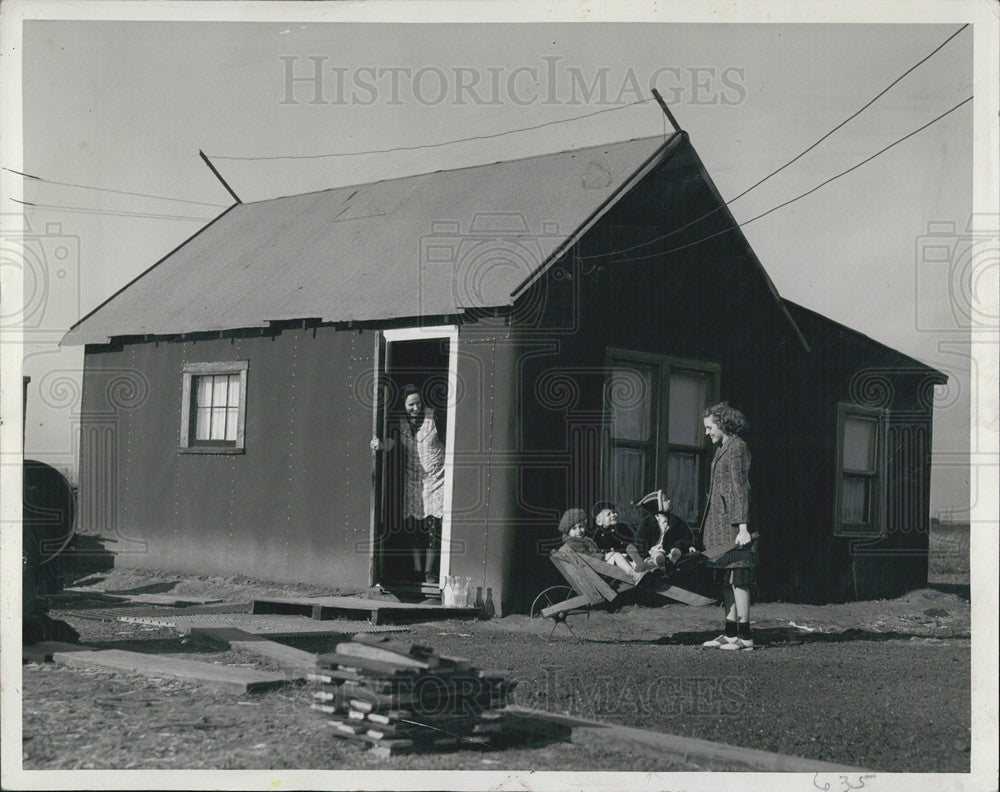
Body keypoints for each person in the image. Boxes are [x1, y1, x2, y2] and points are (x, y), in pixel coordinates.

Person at [370, 384, 445, 584]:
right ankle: (416, 571)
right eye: (411, 404)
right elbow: (389, 444)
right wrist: (379, 445)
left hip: (436, 479)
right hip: (413, 481)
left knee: (432, 526)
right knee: (414, 527)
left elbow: (449, 441)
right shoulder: (401, 424)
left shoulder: (434, 417)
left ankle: (429, 573)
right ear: (404, 406)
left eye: (418, 403)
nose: (416, 408)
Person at [698, 401, 756, 651]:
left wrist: (743, 527)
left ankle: (745, 637)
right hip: (719, 526)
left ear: (722, 424)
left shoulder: (737, 447)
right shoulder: (724, 447)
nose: (707, 432)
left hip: (733, 526)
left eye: (710, 427)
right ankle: (730, 633)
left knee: (739, 578)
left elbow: (740, 488)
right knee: (726, 578)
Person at [633, 498, 695, 571]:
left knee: (676, 550)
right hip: (653, 551)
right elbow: (640, 539)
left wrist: (690, 545)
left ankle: (672, 558)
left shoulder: (675, 520)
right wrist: (645, 556)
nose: (669, 501)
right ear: (658, 505)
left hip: (668, 550)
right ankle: (660, 563)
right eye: (665, 500)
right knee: (657, 555)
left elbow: (685, 535)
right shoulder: (647, 523)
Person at [591, 501, 646, 577]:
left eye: (614, 512)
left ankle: (643, 567)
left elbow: (633, 540)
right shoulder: (599, 534)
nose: (613, 515)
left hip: (630, 556)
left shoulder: (623, 527)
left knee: (631, 547)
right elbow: (599, 549)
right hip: (615, 561)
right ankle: (637, 573)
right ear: (599, 522)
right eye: (608, 514)